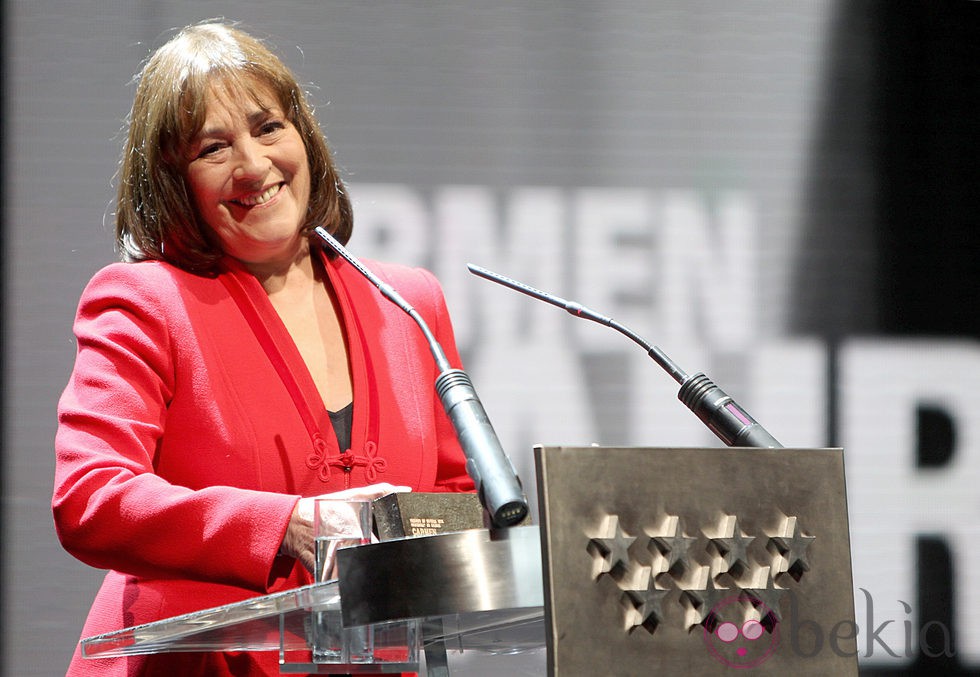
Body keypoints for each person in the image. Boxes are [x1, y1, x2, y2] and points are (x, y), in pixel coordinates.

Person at [52, 21, 474, 676]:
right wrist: (285, 523)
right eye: (214, 148)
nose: (254, 164)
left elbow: (453, 492)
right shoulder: (144, 303)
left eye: (269, 127)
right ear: (174, 181)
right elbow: (90, 497)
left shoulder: (409, 303)